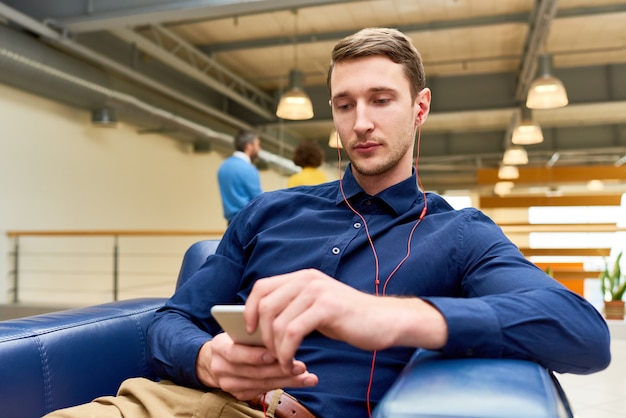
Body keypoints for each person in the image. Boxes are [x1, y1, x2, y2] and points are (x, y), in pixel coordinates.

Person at [46, 27, 610, 418]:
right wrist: (203, 356)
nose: (360, 122)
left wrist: (385, 317)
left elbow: (581, 334)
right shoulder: (269, 212)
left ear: (420, 108)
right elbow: (170, 321)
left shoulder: (459, 235)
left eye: (381, 99)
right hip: (157, 403)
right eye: (344, 104)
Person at [217, 130, 263, 223]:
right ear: (249, 146)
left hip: (230, 224)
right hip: (247, 222)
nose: (259, 149)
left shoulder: (223, 167)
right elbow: (259, 200)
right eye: (257, 145)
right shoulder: (249, 169)